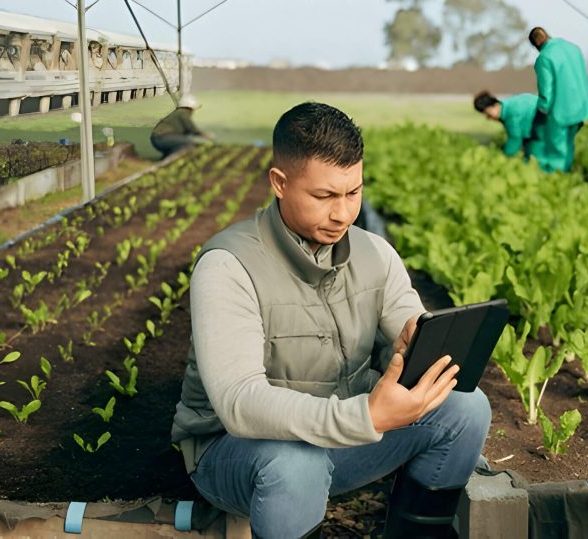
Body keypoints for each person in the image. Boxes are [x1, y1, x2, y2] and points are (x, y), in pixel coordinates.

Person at [170, 102, 491, 538]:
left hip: (344, 438)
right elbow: (239, 404)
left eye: (353, 193)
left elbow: (407, 316)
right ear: (279, 183)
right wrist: (366, 416)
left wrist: (413, 340)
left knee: (466, 408)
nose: (343, 213)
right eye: (324, 196)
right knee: (296, 462)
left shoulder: (375, 253)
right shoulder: (229, 266)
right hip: (240, 456)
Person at [529, 26, 588, 173]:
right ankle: (567, 174)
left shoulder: (544, 57)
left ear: (536, 45)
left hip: (560, 111)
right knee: (569, 147)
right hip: (581, 109)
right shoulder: (574, 49)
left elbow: (546, 92)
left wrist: (541, 111)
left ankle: (555, 181)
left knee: (555, 151)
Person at [473, 90, 546, 163]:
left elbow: (515, 139)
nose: (487, 117)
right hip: (535, 127)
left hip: (544, 125)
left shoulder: (511, 113)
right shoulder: (505, 107)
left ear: (494, 105)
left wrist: (503, 158)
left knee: (537, 156)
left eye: (487, 113)